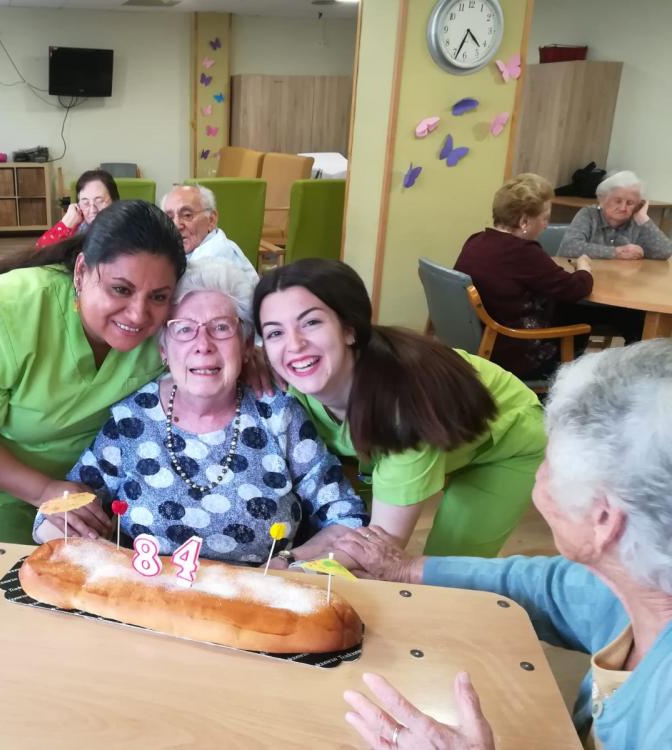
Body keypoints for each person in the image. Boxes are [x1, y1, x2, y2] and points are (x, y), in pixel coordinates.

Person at [334, 340, 672, 750]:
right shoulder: (633, 582)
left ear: (604, 519)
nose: (539, 474)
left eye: (551, 462)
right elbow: (547, 588)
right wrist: (407, 569)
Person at [31, 260, 367, 562]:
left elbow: (346, 518)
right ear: (163, 349)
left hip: (259, 598)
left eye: (221, 328)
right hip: (147, 598)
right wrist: (71, 526)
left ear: (246, 345)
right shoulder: (132, 420)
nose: (203, 344)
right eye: (184, 329)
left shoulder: (278, 415)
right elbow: (57, 516)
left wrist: (290, 563)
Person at [0, 200, 187, 544]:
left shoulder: (172, 325)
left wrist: (248, 356)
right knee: (3, 577)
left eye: (158, 297)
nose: (138, 315)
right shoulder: (0, 312)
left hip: (93, 494)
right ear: (80, 272)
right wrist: (45, 491)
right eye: (120, 289)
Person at [254, 259, 545, 558]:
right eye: (275, 333)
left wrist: (288, 565)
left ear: (349, 330)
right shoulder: (286, 384)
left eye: (311, 322)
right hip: (406, 435)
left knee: (445, 570)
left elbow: (381, 548)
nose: (294, 345)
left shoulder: (403, 411)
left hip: (502, 445)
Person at [454, 173, 593, 379]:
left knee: (566, 309)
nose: (546, 225)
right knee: (584, 317)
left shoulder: (476, 240)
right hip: (513, 354)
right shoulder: (523, 252)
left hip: (479, 342)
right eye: (545, 218)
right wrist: (584, 268)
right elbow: (575, 289)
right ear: (524, 221)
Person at [558, 170, 672, 260]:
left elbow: (666, 252)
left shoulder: (637, 222)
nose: (623, 208)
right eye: (617, 201)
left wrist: (643, 219)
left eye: (630, 203)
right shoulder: (589, 214)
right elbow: (569, 247)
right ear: (602, 199)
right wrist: (616, 252)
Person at [160, 185, 259, 284]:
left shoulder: (215, 260)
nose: (177, 225)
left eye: (187, 215)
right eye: (169, 218)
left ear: (211, 220)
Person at [36, 169, 119, 249]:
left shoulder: (123, 228)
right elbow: (41, 251)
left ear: (114, 201)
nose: (92, 210)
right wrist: (65, 224)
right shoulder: (76, 227)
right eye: (85, 203)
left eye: (99, 201)